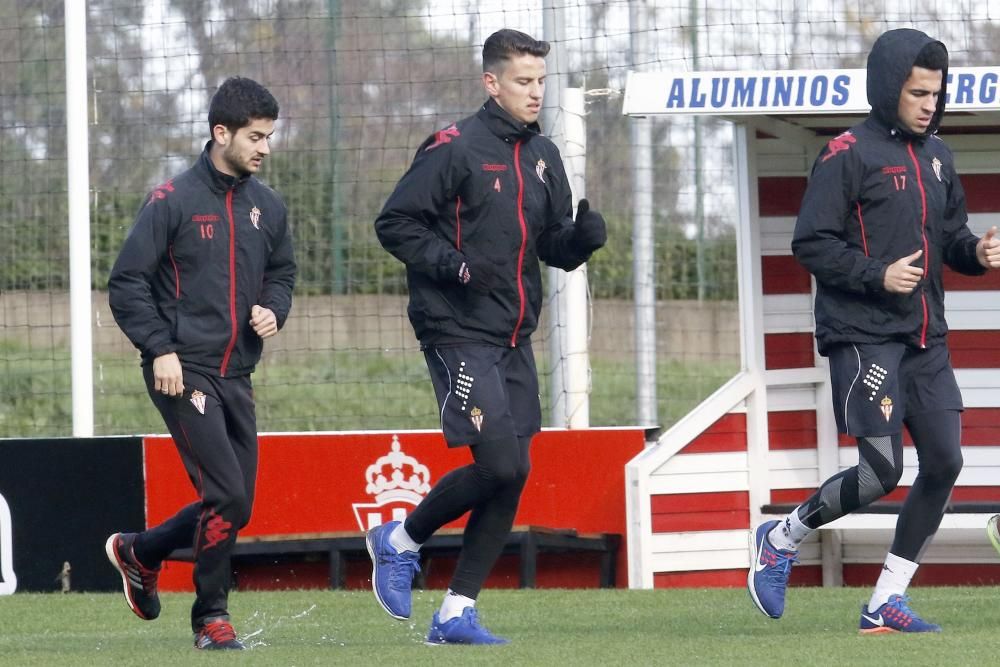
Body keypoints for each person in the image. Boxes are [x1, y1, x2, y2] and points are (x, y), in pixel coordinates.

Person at [748, 28, 1000, 633]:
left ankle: (884, 601)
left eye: (936, 94)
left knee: (943, 462)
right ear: (890, 88)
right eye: (918, 93)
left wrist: (979, 252)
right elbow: (810, 242)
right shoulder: (846, 153)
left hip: (925, 339)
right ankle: (780, 539)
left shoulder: (939, 157)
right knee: (881, 472)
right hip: (862, 334)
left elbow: (953, 241)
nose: (929, 104)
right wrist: (875, 275)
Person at [370, 28, 606, 645]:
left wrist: (580, 242)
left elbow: (552, 245)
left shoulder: (545, 155)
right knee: (499, 461)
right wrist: (456, 264)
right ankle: (398, 540)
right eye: (523, 81)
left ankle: (453, 613)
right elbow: (394, 223)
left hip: (511, 333)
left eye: (540, 81)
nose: (535, 92)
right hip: (454, 327)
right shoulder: (453, 148)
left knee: (513, 471)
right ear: (491, 83)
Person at [106, 77, 296, 650]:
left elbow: (282, 274)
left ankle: (140, 552)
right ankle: (211, 619)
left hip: (237, 372)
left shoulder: (268, 206)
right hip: (181, 370)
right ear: (221, 133)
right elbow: (126, 283)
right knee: (229, 498)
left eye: (269, 136)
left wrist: (273, 310)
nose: (265, 147)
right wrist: (159, 347)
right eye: (256, 136)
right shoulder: (172, 201)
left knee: (236, 504)